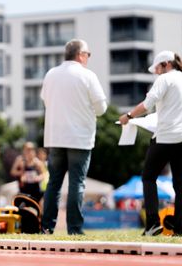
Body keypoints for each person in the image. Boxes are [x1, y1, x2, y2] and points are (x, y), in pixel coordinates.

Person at [119, 50, 182, 236]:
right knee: (181, 184)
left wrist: (128, 116)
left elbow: (147, 104)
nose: (156, 72)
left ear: (166, 64)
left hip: (165, 137)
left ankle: (153, 224)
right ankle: (180, 229)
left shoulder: (164, 80)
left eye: (157, 68)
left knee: (148, 177)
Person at [40, 38, 107, 235]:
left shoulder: (51, 74)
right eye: (87, 54)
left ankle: (47, 226)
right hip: (79, 137)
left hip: (54, 136)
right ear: (80, 55)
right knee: (77, 183)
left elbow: (45, 99)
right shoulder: (88, 76)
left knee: (54, 183)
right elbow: (101, 108)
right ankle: (75, 228)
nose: (88, 58)